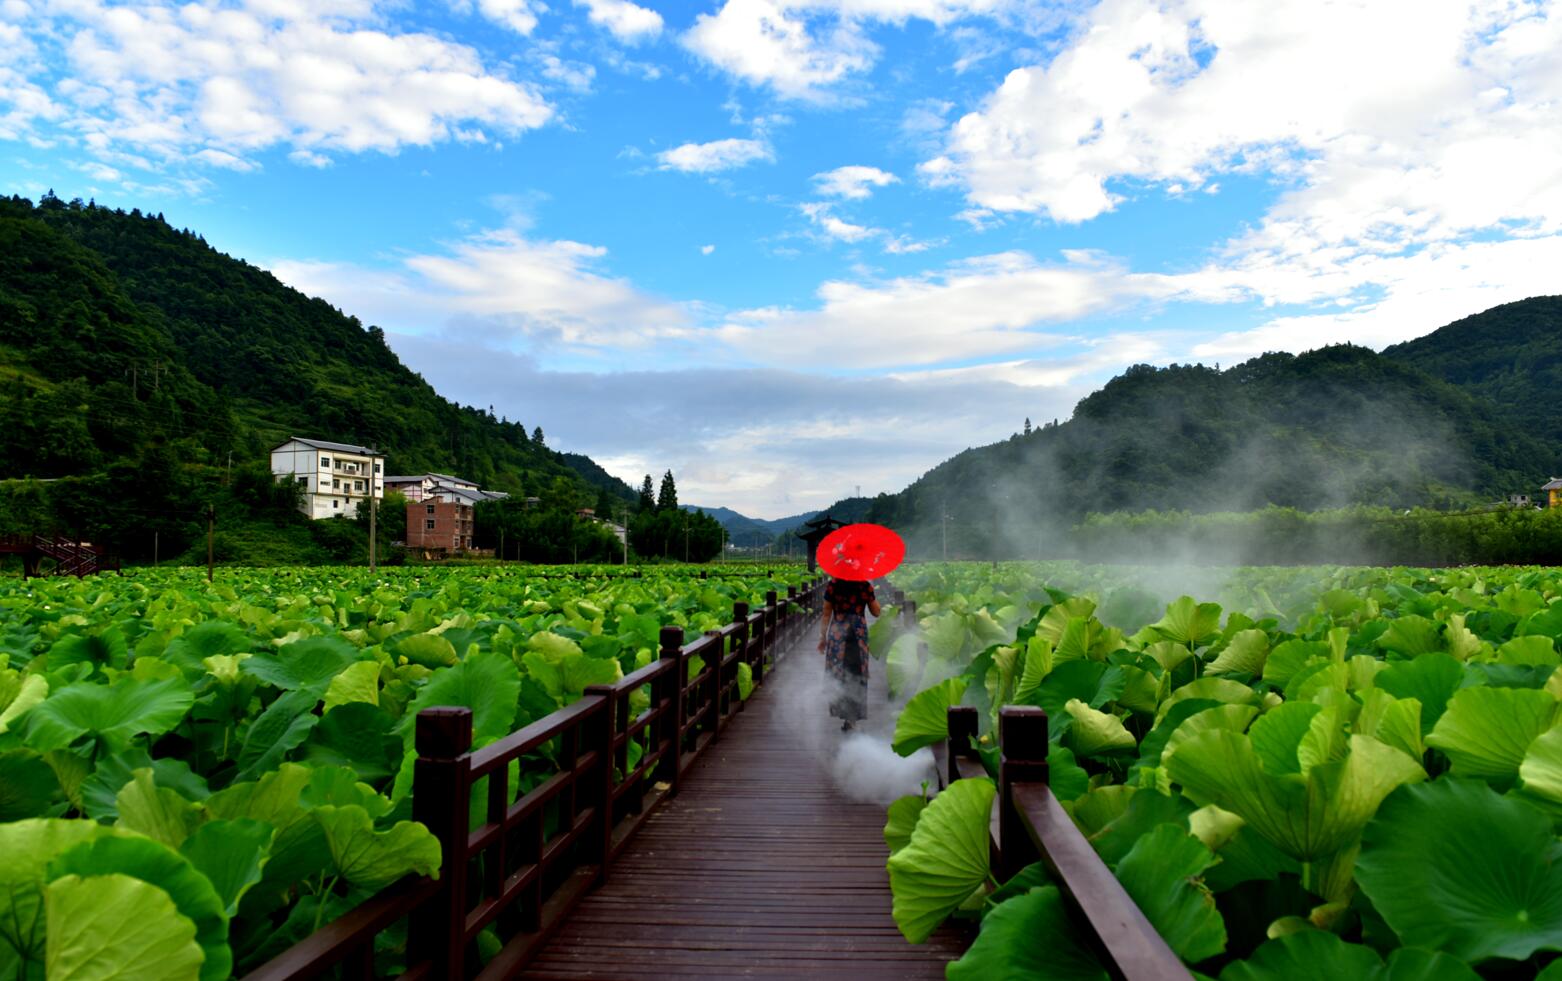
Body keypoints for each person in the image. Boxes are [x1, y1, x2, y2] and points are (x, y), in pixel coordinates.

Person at [818, 576, 881, 730]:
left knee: (840, 673)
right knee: (857, 673)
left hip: (838, 633)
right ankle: (852, 718)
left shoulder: (833, 584)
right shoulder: (865, 586)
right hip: (858, 634)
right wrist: (870, 596)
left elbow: (826, 614)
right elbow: (876, 612)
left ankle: (845, 713)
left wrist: (822, 637)